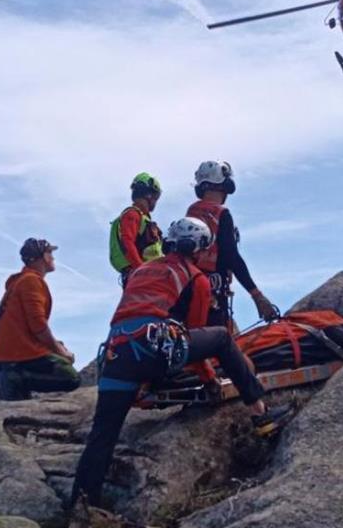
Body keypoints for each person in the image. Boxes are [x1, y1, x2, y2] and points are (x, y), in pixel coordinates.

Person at [69, 217, 292, 512]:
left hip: (116, 354)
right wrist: (210, 378)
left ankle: (81, 509)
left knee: (102, 437)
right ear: (198, 248)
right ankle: (261, 416)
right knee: (222, 338)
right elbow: (194, 336)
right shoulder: (195, 277)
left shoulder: (142, 271)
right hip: (154, 350)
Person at [187, 160, 279, 330]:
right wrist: (257, 295)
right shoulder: (221, 214)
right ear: (223, 186)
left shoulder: (191, 214)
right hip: (212, 294)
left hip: (188, 291)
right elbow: (231, 256)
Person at [0, 238, 80, 401]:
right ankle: (15, 377)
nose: (53, 257)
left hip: (6, 357)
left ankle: (13, 378)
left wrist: (57, 347)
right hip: (16, 356)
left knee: (58, 348)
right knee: (71, 377)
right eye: (50, 252)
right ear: (42, 256)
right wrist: (62, 352)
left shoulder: (22, 281)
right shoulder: (31, 281)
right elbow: (38, 325)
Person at [108, 172, 164, 286]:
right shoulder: (132, 215)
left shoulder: (143, 219)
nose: (156, 201)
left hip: (149, 275)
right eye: (156, 197)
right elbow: (127, 243)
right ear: (149, 195)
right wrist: (141, 270)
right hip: (141, 277)